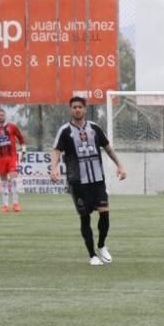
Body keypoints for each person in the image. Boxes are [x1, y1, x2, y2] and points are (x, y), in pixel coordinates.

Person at [49, 96, 127, 266]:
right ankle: (92, 255)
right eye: (74, 107)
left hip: (97, 180)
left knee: (105, 213)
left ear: (85, 109)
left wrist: (120, 165)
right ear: (71, 110)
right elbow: (56, 150)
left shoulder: (95, 128)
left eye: (80, 107)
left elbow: (108, 148)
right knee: (85, 219)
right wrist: (53, 168)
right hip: (77, 182)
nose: (77, 109)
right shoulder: (65, 131)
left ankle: (102, 245)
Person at [0, 108, 26, 213]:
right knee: (3, 182)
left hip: (12, 156)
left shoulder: (12, 127)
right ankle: (5, 205)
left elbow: (21, 139)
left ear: (5, 116)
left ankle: (16, 204)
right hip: (0, 157)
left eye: (2, 115)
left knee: (13, 180)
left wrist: (24, 151)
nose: (0, 117)